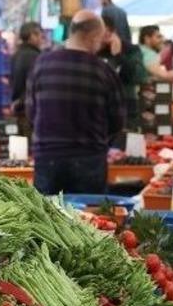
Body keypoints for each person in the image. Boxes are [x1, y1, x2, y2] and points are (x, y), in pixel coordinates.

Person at [25, 10, 124, 195]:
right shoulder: (104, 71)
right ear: (94, 36)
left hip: (48, 157)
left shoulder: (41, 64)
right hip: (89, 159)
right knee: (89, 218)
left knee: (46, 217)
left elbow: (31, 112)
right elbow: (117, 121)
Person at [99, 14, 147, 132]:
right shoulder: (92, 50)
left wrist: (119, 56)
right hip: (98, 110)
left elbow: (139, 76)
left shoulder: (130, 49)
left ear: (111, 31)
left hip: (126, 110)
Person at [10, 22, 43, 118]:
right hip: (28, 107)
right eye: (40, 35)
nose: (41, 38)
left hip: (16, 106)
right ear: (32, 36)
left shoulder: (15, 55)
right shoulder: (36, 57)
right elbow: (34, 85)